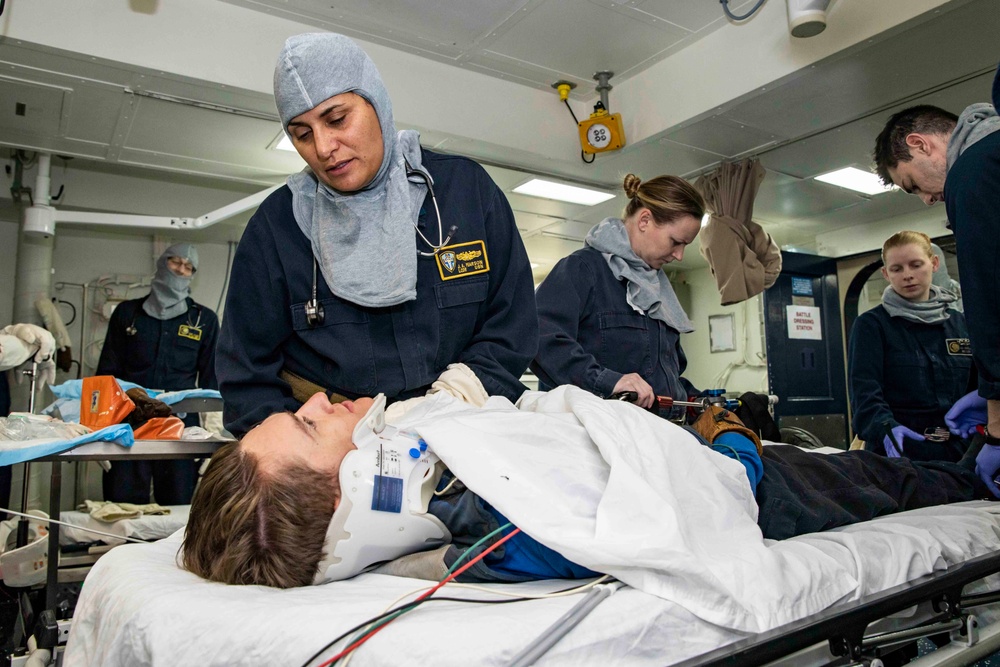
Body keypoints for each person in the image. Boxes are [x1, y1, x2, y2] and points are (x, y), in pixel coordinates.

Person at [182, 389, 991, 590]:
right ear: (362, 487)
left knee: (908, 473)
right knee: (908, 481)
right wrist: (732, 441)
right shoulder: (502, 535)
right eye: (309, 422)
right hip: (764, 481)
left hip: (718, 454)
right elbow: (687, 514)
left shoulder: (457, 489)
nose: (320, 399)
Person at [216, 33, 537, 438]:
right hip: (336, 458)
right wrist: (312, 453)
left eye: (336, 120)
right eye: (301, 133)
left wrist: (455, 401)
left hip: (464, 429)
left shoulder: (465, 192)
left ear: (377, 102)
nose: (324, 147)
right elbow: (246, 379)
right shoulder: (277, 228)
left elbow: (512, 324)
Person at [873, 62, 1000, 481]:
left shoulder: (973, 172)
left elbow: (991, 294)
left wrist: (997, 426)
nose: (927, 200)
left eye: (913, 185)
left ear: (920, 144)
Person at [530, 174, 702, 415]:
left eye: (685, 246)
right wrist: (606, 381)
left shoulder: (657, 289)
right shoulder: (583, 270)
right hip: (601, 431)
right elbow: (539, 337)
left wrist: (700, 401)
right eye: (675, 242)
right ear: (644, 220)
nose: (679, 255)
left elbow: (662, 378)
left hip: (660, 431)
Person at [96, 243, 219, 504]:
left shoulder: (204, 320)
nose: (180, 270)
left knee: (177, 511)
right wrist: (96, 432)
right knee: (122, 504)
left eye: (188, 267)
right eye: (176, 262)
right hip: (128, 427)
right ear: (162, 263)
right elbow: (105, 378)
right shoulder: (128, 314)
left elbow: (213, 384)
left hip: (181, 431)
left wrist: (215, 444)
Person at [848, 231, 973, 462]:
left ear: (934, 264)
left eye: (916, 265)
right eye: (897, 269)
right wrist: (885, 428)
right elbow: (865, 395)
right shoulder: (872, 326)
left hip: (959, 454)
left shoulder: (961, 324)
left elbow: (979, 388)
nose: (908, 275)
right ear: (886, 274)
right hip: (898, 453)